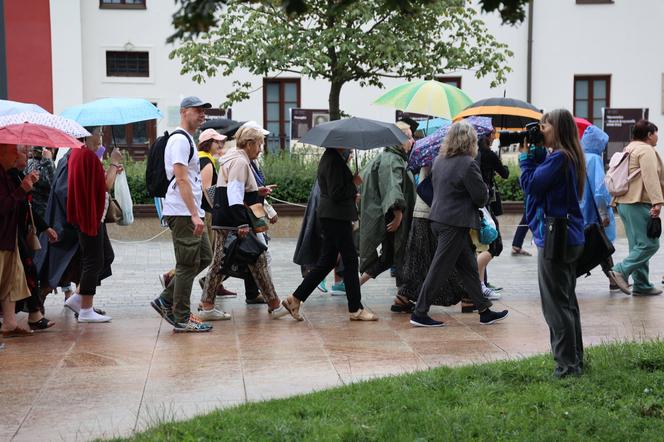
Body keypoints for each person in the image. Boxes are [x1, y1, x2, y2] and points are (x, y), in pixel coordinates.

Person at [410, 121, 508, 327]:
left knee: (469, 267)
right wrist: (488, 191)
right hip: (454, 223)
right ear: (470, 140)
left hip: (440, 219)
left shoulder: (439, 160)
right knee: (439, 268)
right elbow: (480, 197)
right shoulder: (467, 163)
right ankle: (419, 312)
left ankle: (484, 310)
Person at [202, 126, 297, 320]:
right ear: (249, 143)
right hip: (233, 221)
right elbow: (235, 195)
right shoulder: (239, 162)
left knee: (248, 260)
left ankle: (273, 304)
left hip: (228, 219)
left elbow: (235, 190)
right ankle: (208, 307)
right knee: (223, 263)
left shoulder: (234, 158)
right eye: (259, 144)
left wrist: (257, 192)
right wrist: (242, 224)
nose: (261, 149)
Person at [520, 108, 586, 378]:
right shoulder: (569, 156)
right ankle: (575, 360)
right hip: (568, 235)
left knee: (555, 305)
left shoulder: (558, 158)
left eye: (544, 126)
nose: (540, 131)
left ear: (556, 129)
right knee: (567, 301)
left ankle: (566, 366)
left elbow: (531, 186)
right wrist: (536, 155)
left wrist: (525, 159)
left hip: (555, 237)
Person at [282, 147, 377, 321]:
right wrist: (354, 184)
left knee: (326, 262)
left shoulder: (333, 158)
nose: (349, 146)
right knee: (349, 260)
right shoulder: (333, 160)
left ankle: (295, 299)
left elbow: (337, 189)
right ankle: (355, 309)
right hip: (336, 218)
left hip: (332, 216)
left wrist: (350, 187)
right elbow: (336, 192)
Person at [150, 96, 216, 332]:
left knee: (205, 257)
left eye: (204, 112)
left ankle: (166, 299)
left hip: (190, 211)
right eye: (198, 111)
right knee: (187, 264)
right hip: (183, 212)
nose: (202, 115)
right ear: (184, 112)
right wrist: (194, 214)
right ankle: (181, 316)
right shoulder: (179, 140)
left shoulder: (188, 139)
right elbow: (181, 178)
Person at [63, 127, 120, 323]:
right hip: (89, 215)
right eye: (99, 133)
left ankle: (79, 296)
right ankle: (86, 309)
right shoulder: (85, 155)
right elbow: (106, 185)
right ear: (87, 135)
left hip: (91, 214)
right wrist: (114, 163)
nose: (101, 137)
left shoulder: (80, 153)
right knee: (93, 260)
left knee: (105, 256)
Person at [610, 119, 664, 296]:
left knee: (637, 245)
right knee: (650, 244)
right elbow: (651, 177)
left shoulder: (629, 147)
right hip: (637, 201)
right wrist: (657, 202)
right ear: (649, 135)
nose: (657, 136)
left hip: (624, 202)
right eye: (655, 133)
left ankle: (641, 284)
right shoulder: (646, 150)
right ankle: (620, 271)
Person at [358, 121, 416, 286]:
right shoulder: (392, 159)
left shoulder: (393, 157)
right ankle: (403, 294)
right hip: (393, 217)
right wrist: (398, 215)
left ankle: (357, 284)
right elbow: (392, 187)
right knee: (398, 252)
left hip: (392, 215)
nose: (412, 142)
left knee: (389, 256)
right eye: (410, 137)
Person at [10, 145, 58, 330]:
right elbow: (11, 203)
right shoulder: (9, 177)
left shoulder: (18, 175)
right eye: (24, 152)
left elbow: (28, 207)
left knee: (29, 271)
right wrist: (24, 189)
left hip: (20, 232)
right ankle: (27, 315)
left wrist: (45, 228)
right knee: (25, 273)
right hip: (11, 235)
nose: (28, 155)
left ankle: (34, 314)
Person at [0, 143, 39, 337]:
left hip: (10, 237)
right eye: (12, 150)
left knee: (12, 280)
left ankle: (9, 322)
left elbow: (18, 204)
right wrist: (21, 189)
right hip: (2, 238)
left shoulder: (8, 174)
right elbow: (3, 206)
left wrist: (25, 188)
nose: (17, 155)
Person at [579, 125, 618, 290]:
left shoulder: (578, 157)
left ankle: (614, 279)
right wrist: (603, 213)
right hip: (592, 212)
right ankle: (614, 279)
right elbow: (600, 190)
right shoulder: (594, 159)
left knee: (592, 245)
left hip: (579, 211)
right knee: (602, 245)